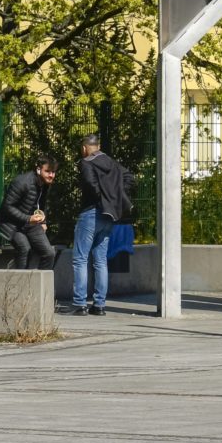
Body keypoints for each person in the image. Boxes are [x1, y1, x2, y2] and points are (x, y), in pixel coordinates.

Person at [71, 134, 131, 316]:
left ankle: (80, 304)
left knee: (80, 259)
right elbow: (130, 178)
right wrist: (114, 198)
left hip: (90, 213)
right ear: (98, 146)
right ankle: (99, 305)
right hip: (108, 215)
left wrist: (101, 198)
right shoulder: (111, 163)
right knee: (100, 260)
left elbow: (90, 184)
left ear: (84, 148)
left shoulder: (86, 163)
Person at [0, 155, 59, 270]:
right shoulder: (22, 182)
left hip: (31, 223)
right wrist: (28, 218)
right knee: (25, 248)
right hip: (11, 224)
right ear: (38, 169)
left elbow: (41, 204)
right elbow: (7, 207)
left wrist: (43, 221)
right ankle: (21, 285)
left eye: (53, 172)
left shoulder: (45, 184)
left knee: (49, 253)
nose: (51, 175)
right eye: (48, 171)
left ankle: (40, 284)